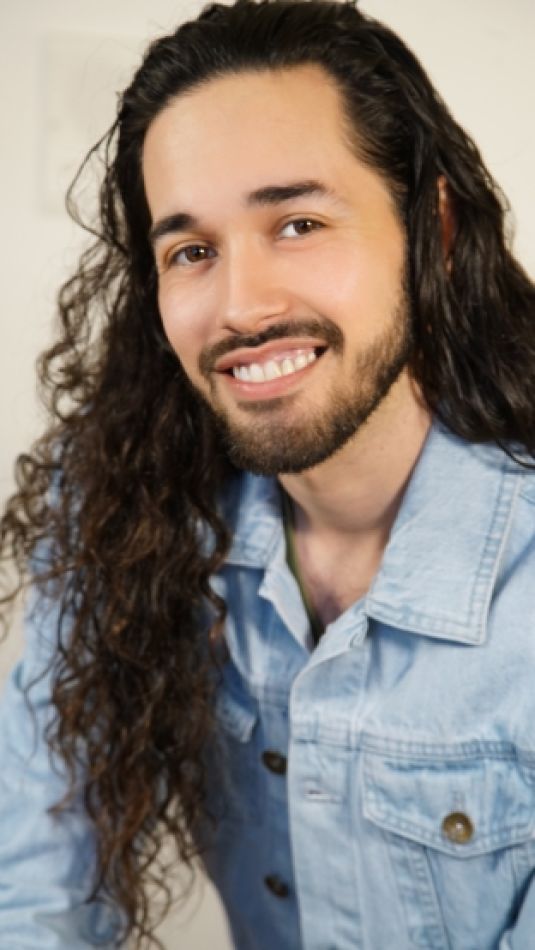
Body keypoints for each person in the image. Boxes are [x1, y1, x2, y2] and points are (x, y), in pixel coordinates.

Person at [1, 0, 535, 947]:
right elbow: (34, 896)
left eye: (297, 223)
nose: (241, 307)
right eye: (192, 251)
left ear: (435, 230)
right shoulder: (122, 510)